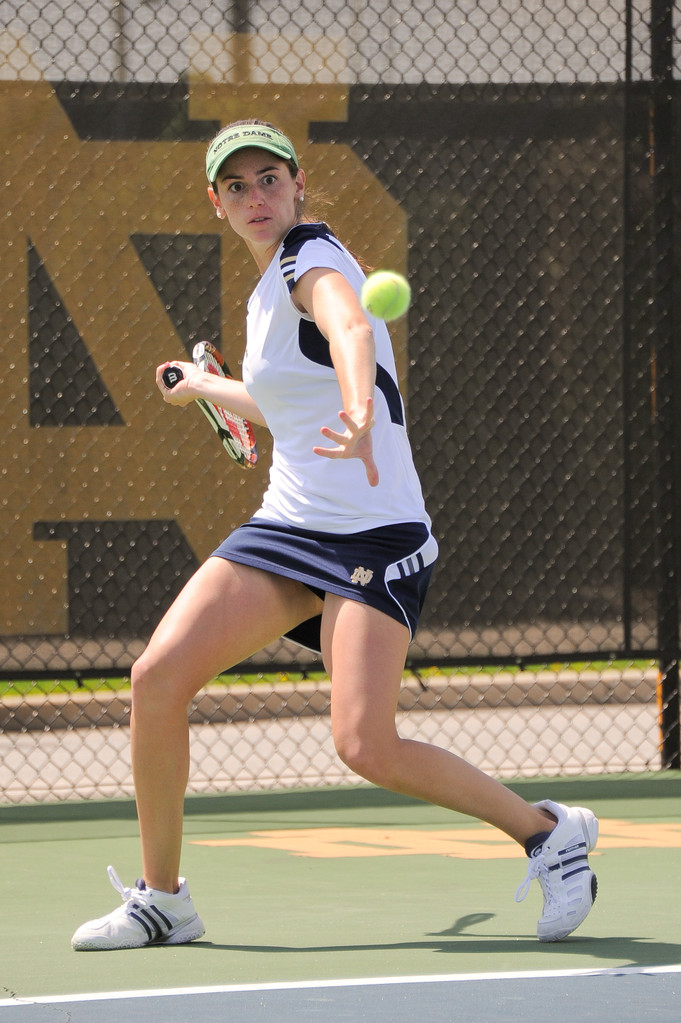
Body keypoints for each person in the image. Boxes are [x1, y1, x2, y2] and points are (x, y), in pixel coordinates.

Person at [71, 119, 598, 951]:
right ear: (216, 202)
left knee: (364, 744)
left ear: (297, 185)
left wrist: (358, 407)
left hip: (374, 536)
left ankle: (545, 832)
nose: (254, 196)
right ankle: (163, 899)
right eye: (236, 186)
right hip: (289, 524)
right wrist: (204, 385)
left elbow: (349, 328)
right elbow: (281, 405)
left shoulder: (309, 256)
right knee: (156, 678)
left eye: (268, 179)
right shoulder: (262, 296)